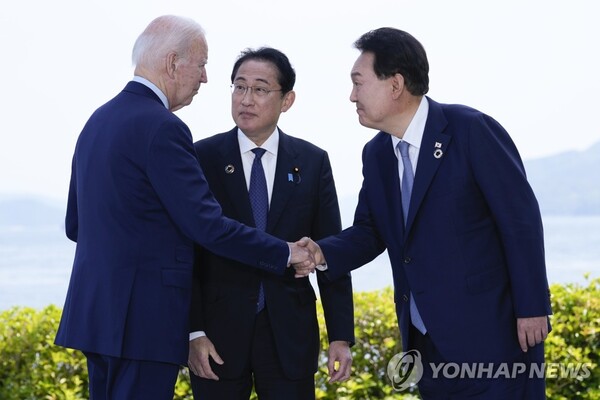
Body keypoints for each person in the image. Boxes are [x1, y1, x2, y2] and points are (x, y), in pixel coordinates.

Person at [54, 16, 314, 400]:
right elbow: (207, 226)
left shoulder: (98, 120)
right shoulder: (163, 127)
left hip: (98, 316)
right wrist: (285, 251)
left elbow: (75, 225)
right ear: (174, 62)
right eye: (202, 64)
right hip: (143, 321)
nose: (206, 78)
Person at [300, 28, 552, 399]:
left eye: (358, 82)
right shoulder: (377, 154)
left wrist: (532, 307)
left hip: (494, 337)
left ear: (396, 84)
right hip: (426, 346)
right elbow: (370, 231)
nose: (352, 96)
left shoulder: (469, 130)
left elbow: (520, 220)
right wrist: (322, 253)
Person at [187, 47, 355, 400]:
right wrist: (193, 332)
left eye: (260, 89)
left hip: (288, 336)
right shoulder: (201, 157)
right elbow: (186, 252)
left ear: (287, 99)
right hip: (217, 337)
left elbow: (331, 251)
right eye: (239, 87)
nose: (246, 99)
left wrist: (340, 335)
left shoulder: (312, 162)